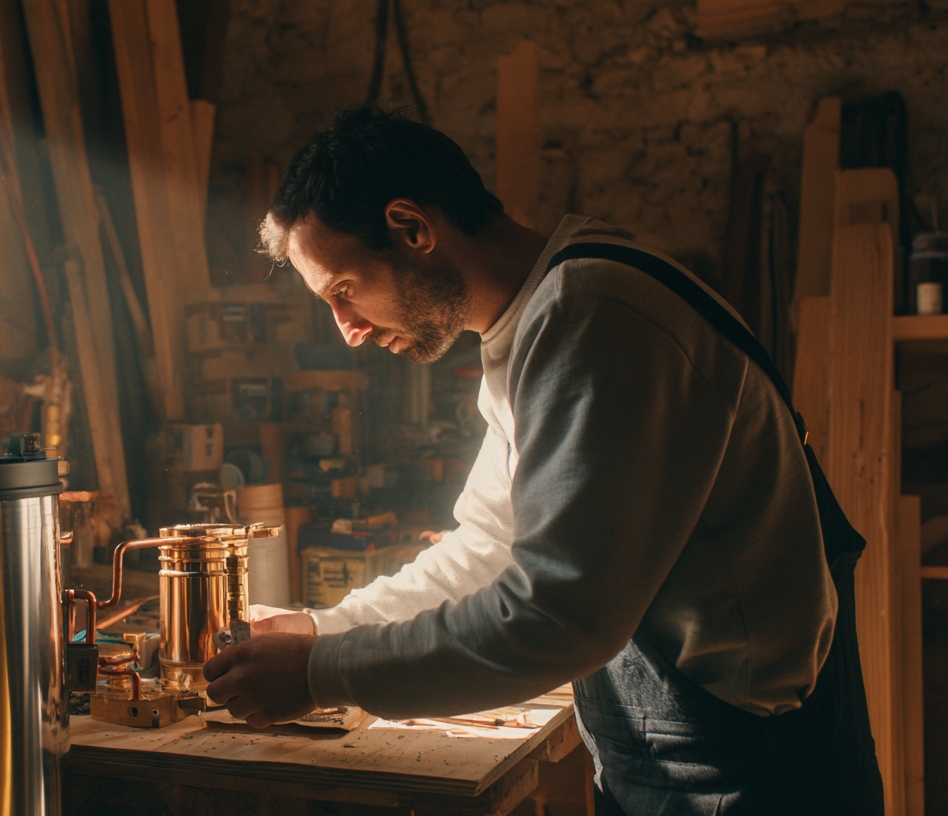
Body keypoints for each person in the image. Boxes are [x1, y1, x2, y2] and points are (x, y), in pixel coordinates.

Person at [200, 106, 882, 815]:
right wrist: (324, 628)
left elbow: (555, 616)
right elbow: (488, 549)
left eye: (344, 291)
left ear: (412, 228)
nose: (348, 330)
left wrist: (320, 672)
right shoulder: (534, 323)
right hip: (678, 750)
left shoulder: (595, 318)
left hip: (749, 774)